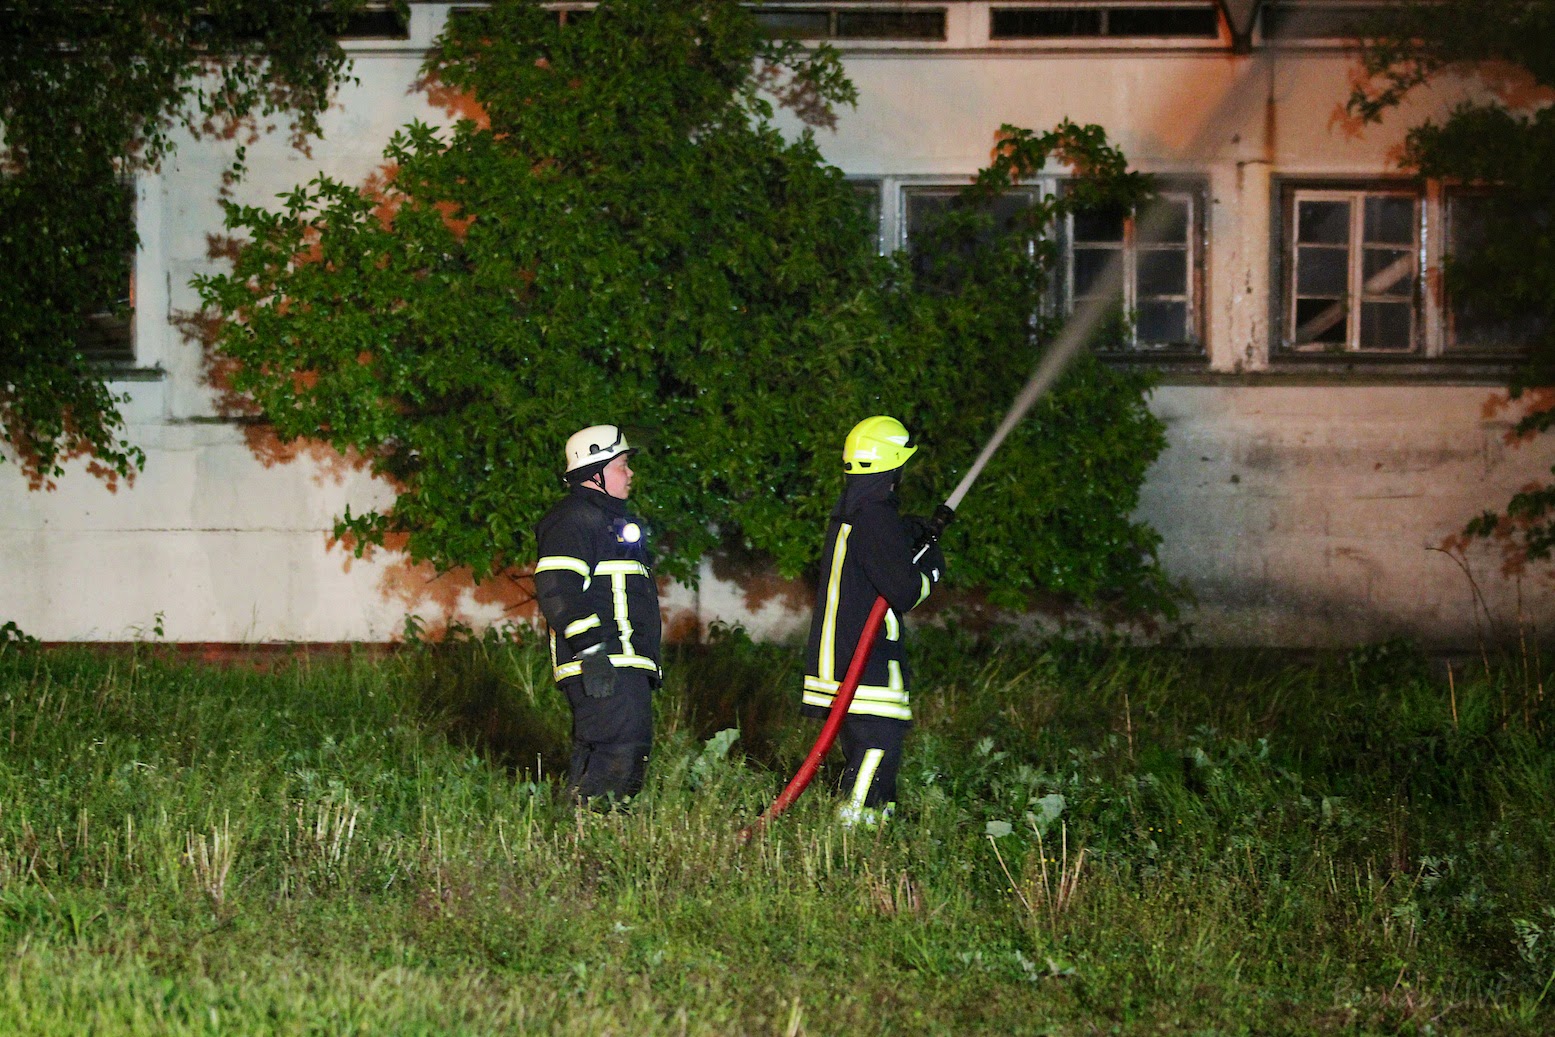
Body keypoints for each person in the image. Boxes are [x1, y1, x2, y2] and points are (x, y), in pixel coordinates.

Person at [801, 415, 945, 827]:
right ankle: (854, 824)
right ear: (895, 466)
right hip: (861, 660)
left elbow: (875, 566)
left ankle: (876, 819)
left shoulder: (859, 511)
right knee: (878, 741)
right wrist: (930, 570)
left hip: (846, 653)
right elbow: (902, 590)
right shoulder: (873, 516)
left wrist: (907, 535)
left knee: (877, 739)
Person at [534, 424, 662, 806]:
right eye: (622, 464)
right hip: (604, 659)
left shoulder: (610, 522)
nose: (630, 473)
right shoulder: (573, 518)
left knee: (605, 750)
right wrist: (591, 650)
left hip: (621, 659)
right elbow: (558, 589)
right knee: (619, 747)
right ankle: (596, 832)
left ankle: (578, 834)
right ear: (597, 471)